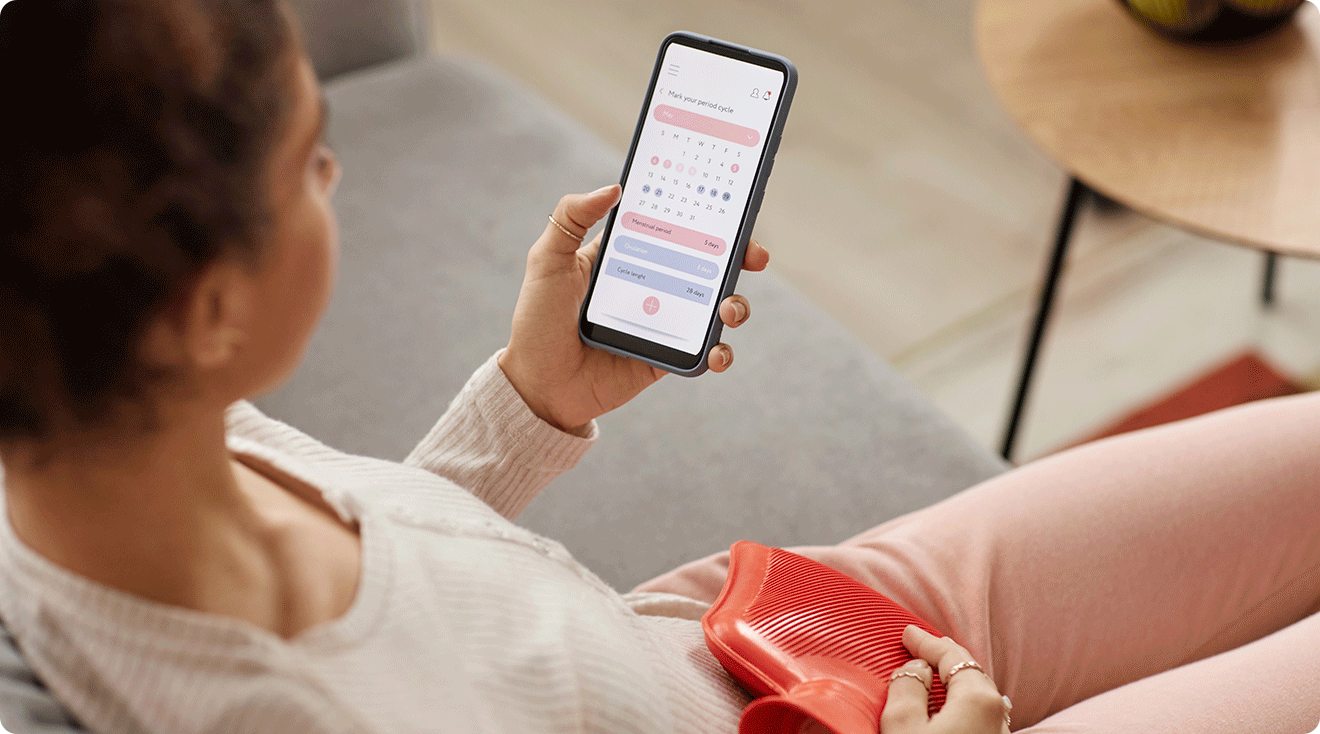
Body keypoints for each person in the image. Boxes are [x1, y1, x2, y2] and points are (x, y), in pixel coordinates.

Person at [1, 0, 1318, 733]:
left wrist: (528, 402)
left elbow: (392, 610)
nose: (337, 179)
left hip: (732, 639)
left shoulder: (110, 431)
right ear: (208, 304)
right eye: (308, 162)